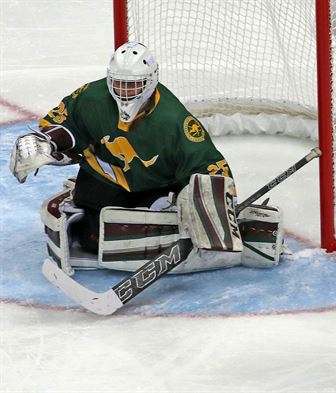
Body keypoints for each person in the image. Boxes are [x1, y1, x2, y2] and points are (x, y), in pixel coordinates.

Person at [9, 42, 284, 275]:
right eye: (118, 84)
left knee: (158, 232)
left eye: (133, 85)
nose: (124, 92)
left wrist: (218, 200)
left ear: (150, 81)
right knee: (94, 241)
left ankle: (171, 212)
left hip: (158, 186)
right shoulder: (91, 96)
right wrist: (44, 142)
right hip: (106, 178)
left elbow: (209, 164)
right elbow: (67, 123)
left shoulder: (174, 120)